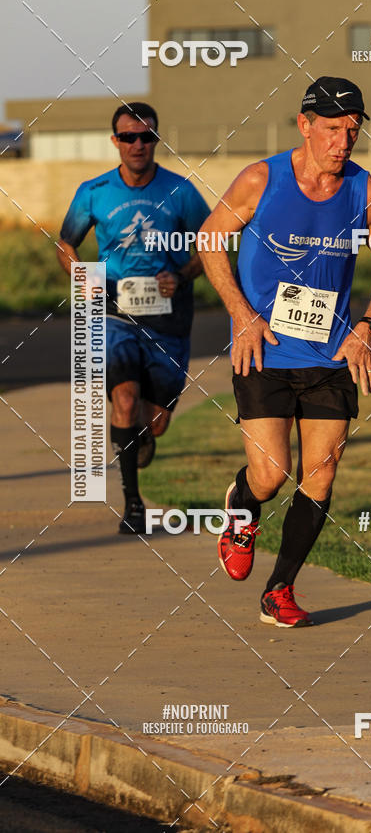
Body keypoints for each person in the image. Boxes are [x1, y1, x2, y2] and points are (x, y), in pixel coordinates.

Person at [199, 76, 371, 627]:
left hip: (330, 356)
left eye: (353, 131)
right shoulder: (260, 180)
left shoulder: (365, 192)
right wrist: (242, 315)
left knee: (322, 470)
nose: (344, 142)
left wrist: (368, 326)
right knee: (270, 474)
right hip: (264, 351)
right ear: (305, 124)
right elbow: (209, 239)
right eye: (334, 129)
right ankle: (242, 508)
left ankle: (280, 590)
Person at [57, 102, 210, 534]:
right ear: (116, 142)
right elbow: (65, 244)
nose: (138, 144)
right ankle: (133, 504)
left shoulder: (181, 192)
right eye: (129, 137)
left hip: (169, 318)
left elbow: (210, 245)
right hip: (114, 313)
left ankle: (135, 437)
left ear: (156, 140)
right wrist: (83, 276)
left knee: (154, 422)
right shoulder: (95, 191)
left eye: (146, 136)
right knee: (123, 398)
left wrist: (180, 276)